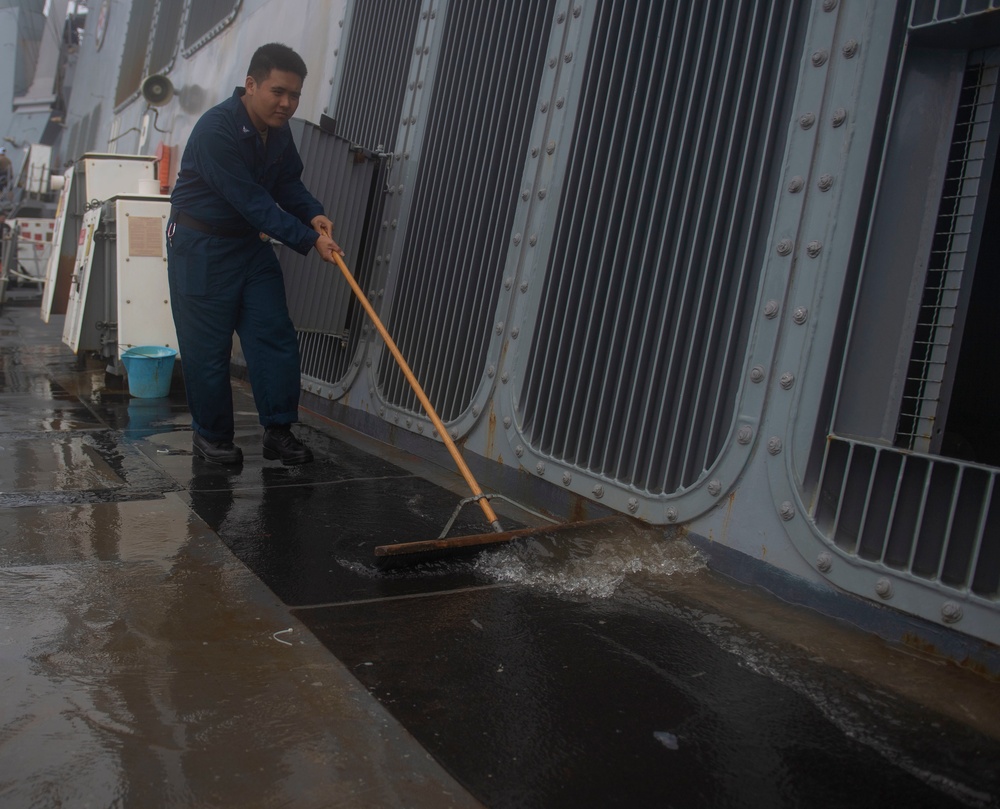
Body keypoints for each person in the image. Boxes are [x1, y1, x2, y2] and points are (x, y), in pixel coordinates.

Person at [167, 43, 343, 466]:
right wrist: (307, 239)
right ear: (251, 84)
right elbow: (253, 202)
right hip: (201, 246)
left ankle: (278, 431)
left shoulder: (278, 130)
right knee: (208, 350)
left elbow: (287, 185)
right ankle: (211, 436)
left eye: (295, 95)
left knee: (273, 335)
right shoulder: (215, 131)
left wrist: (314, 213)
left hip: (248, 244)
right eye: (278, 91)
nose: (287, 103)